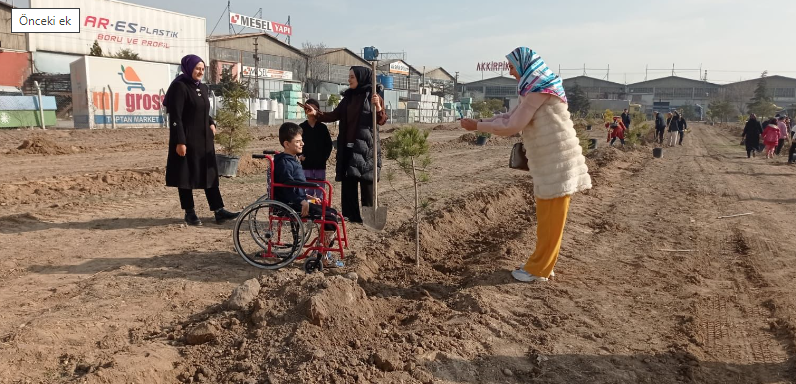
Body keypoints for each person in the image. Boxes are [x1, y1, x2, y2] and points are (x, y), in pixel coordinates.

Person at [460, 47, 591, 283]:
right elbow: (509, 117)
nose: (510, 72)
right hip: (549, 163)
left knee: (552, 220)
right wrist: (479, 121)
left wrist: (477, 127)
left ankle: (539, 269)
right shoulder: (533, 88)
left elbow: (513, 126)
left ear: (523, 65)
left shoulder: (539, 89)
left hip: (557, 163)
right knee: (547, 217)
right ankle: (540, 265)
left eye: (511, 67)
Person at [304, 66, 387, 224]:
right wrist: (316, 114)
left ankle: (370, 219)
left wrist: (378, 107)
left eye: (352, 77)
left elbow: (381, 120)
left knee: (367, 183)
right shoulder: (347, 98)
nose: (349, 80)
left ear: (361, 78)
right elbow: (334, 115)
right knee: (348, 183)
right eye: (349, 77)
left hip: (365, 148)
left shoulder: (373, 96)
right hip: (347, 147)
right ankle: (350, 216)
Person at [163, 54, 238, 226]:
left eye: (203, 69)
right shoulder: (179, 87)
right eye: (197, 68)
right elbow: (176, 117)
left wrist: (211, 122)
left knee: (210, 174)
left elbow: (203, 110)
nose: (200, 72)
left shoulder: (202, 87)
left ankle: (218, 210)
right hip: (187, 140)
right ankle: (189, 212)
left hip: (204, 140)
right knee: (186, 175)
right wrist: (180, 141)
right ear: (188, 68)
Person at [273, 122, 343, 268]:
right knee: (330, 218)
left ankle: (322, 250)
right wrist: (302, 201)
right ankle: (322, 255)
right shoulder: (285, 163)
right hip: (291, 204)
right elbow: (287, 187)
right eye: (298, 142)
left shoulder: (292, 159)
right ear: (286, 143)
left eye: (301, 140)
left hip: (297, 200)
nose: (302, 144)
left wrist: (309, 198)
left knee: (332, 212)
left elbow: (296, 185)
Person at [298, 99, 333, 199]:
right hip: (306, 165)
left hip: (320, 166)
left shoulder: (322, 128)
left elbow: (328, 145)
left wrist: (324, 158)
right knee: (307, 192)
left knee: (320, 191)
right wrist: (299, 156)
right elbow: (296, 144)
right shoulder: (301, 127)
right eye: (307, 108)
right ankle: (308, 212)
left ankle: (320, 211)